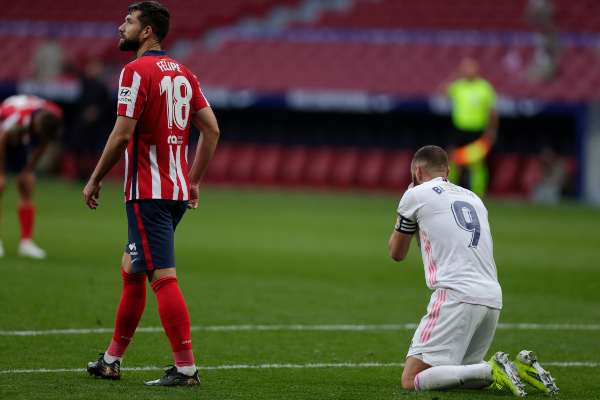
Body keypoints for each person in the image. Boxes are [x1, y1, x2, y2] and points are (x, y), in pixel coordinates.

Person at [83, 1, 220, 387]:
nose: (120, 27)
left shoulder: (134, 71)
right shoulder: (184, 72)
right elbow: (212, 129)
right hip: (174, 191)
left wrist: (94, 178)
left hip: (148, 193)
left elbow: (122, 132)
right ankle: (111, 359)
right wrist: (193, 180)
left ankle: (186, 368)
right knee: (132, 269)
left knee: (162, 275)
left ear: (147, 31)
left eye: (128, 21)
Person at [388, 145, 559, 397]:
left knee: (411, 378)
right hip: (492, 298)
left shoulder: (415, 194)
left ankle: (493, 370)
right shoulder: (473, 197)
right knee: (460, 374)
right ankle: (518, 368)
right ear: (447, 171)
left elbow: (396, 253)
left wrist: (406, 209)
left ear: (417, 170)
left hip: (456, 295)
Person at [0, 94, 63, 259]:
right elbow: (2, 138)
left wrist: (28, 169)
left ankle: (26, 243)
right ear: (35, 125)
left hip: (20, 138)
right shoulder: (18, 119)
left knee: (28, 183)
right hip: (3, 136)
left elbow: (45, 141)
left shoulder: (53, 115)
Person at [442, 58, 498, 197]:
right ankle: (450, 190)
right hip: (459, 130)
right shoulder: (458, 86)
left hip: (477, 131)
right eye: (465, 68)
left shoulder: (484, 87)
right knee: (454, 160)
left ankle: (479, 193)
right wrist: (456, 75)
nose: (468, 71)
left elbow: (492, 111)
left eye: (471, 68)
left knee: (477, 163)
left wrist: (491, 131)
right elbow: (442, 92)